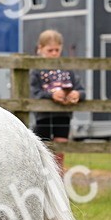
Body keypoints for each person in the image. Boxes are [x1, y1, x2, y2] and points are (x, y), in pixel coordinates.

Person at [30, 29, 84, 171]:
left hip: (63, 116)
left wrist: (76, 94)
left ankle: (58, 179)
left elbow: (81, 89)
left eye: (57, 50)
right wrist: (51, 95)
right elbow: (35, 93)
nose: (54, 53)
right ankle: (41, 178)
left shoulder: (67, 70)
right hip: (43, 117)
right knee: (42, 150)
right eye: (50, 50)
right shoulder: (36, 71)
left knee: (60, 150)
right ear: (40, 49)